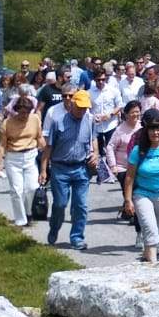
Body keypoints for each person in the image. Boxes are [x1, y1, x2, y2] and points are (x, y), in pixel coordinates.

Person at [39, 86, 100, 250]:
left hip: (81, 168)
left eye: (85, 107)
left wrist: (96, 154)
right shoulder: (58, 121)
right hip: (60, 168)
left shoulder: (89, 120)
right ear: (72, 104)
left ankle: (77, 237)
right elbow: (48, 148)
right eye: (79, 107)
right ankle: (54, 228)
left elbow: (93, 140)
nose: (82, 110)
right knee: (60, 204)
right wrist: (44, 170)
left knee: (80, 205)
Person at [122, 107, 159, 263]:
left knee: (157, 226)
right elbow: (129, 176)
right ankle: (153, 264)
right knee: (150, 228)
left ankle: (146, 256)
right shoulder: (138, 150)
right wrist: (128, 200)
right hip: (142, 193)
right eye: (152, 129)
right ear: (146, 131)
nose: (156, 133)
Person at [0, 85, 43, 226]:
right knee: (17, 190)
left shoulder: (34, 119)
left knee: (32, 187)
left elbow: (40, 138)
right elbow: (2, 144)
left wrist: (47, 156)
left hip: (30, 156)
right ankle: (21, 220)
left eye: (26, 113)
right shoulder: (7, 123)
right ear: (16, 111)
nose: (24, 116)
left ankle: (28, 212)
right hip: (13, 157)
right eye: (21, 113)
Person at [89, 67, 123, 160]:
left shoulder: (113, 90)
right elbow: (87, 109)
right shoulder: (89, 93)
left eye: (103, 79)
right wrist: (93, 117)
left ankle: (113, 170)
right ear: (94, 79)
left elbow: (119, 105)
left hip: (111, 125)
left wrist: (110, 114)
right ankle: (101, 172)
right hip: (96, 127)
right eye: (98, 80)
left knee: (111, 150)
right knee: (99, 153)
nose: (101, 82)